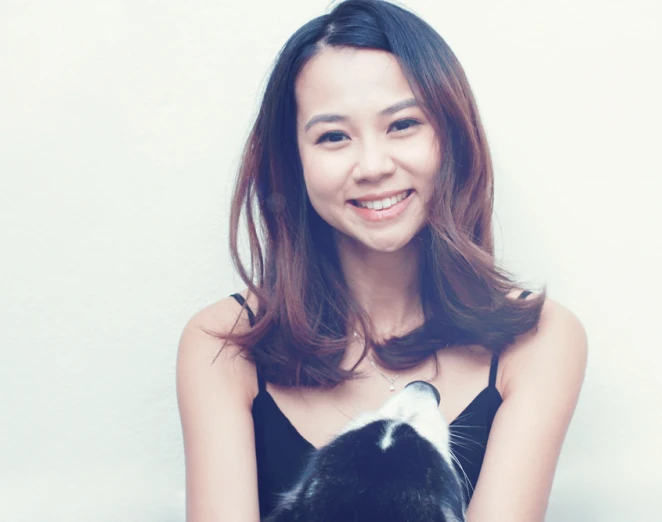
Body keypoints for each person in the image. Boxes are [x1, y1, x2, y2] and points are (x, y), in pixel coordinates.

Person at [176, 1, 588, 521]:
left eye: (402, 125)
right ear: (293, 160)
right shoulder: (222, 344)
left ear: (450, 137)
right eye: (333, 136)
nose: (372, 166)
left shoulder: (540, 339)